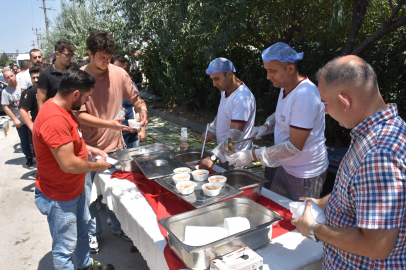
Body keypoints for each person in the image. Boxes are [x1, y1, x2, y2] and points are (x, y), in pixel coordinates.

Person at [292, 55, 406, 269]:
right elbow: (355, 193)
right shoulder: (378, 132)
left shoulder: (378, 155)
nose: (324, 111)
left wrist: (314, 229)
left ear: (345, 101)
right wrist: (320, 203)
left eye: (325, 103)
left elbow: (377, 246)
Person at [33, 68, 114, 270]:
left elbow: (70, 142)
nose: (86, 102)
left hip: (74, 190)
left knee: (81, 233)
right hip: (60, 196)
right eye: (86, 97)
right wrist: (98, 166)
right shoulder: (54, 119)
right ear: (75, 94)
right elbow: (68, 164)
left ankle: (85, 266)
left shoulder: (65, 110)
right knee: (64, 249)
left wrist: (89, 148)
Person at [75, 30, 149, 253]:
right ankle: (92, 234)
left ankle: (119, 227)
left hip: (117, 147)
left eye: (109, 58)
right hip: (87, 148)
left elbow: (136, 98)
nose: (106, 63)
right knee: (87, 196)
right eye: (101, 58)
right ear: (89, 53)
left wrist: (142, 110)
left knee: (118, 194)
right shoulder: (79, 77)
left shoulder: (119, 73)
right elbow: (79, 114)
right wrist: (110, 124)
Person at [229, 43, 328, 201]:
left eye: (272, 71)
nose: (268, 76)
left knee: (297, 220)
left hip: (305, 174)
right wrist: (265, 127)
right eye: (267, 70)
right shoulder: (286, 86)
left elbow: (293, 147)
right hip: (285, 166)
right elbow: (280, 114)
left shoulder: (305, 96)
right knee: (274, 206)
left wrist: (253, 154)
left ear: (290, 69)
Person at [199, 57, 256, 170]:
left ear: (229, 74)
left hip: (236, 157)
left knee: (233, 186)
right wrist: (211, 129)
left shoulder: (241, 98)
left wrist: (213, 157)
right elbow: (223, 113)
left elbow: (234, 135)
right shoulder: (225, 89)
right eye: (212, 79)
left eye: (216, 79)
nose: (214, 84)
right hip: (224, 152)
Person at [110, 52, 146, 148]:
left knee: (134, 163)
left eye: (125, 70)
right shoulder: (103, 87)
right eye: (118, 69)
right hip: (111, 141)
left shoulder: (130, 85)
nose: (122, 73)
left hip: (131, 138)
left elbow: (138, 107)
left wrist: (141, 128)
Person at [1, 70, 35, 166]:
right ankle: (28, 157)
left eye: (12, 76)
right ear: (5, 79)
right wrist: (14, 119)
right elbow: (5, 107)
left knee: (34, 138)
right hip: (19, 121)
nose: (11, 78)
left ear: (15, 75)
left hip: (30, 118)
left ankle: (37, 155)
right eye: (8, 77)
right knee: (24, 139)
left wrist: (30, 114)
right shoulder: (5, 92)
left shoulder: (23, 87)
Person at [37, 39, 76, 109]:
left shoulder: (74, 70)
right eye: (67, 55)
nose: (71, 58)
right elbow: (41, 102)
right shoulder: (45, 75)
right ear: (57, 54)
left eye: (72, 55)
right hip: (55, 115)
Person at [19, 63, 50, 132]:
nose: (36, 80)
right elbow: (23, 109)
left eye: (38, 77)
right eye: (33, 78)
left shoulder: (52, 89)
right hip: (39, 127)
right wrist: (32, 127)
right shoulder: (29, 91)